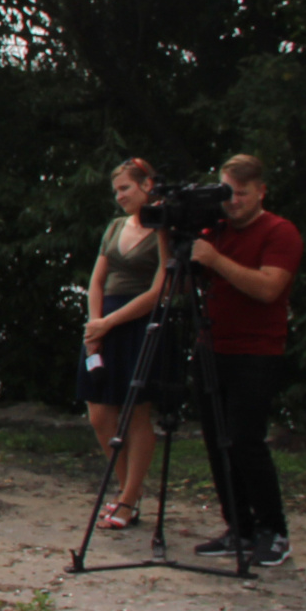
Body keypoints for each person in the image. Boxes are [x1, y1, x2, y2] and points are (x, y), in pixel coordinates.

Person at [190, 154, 303, 567]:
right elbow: (182, 281)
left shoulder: (279, 232)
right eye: (226, 193)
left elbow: (269, 289)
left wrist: (216, 260)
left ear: (261, 191)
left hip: (256, 351)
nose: (232, 201)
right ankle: (239, 526)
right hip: (211, 347)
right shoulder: (214, 232)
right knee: (217, 440)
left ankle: (273, 530)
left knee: (245, 440)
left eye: (241, 193)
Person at [81, 158, 169, 529]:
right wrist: (95, 325)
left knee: (135, 412)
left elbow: (160, 288)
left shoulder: (163, 228)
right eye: (116, 191)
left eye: (125, 188)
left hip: (138, 323)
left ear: (147, 185)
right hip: (103, 322)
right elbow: (96, 280)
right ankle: (123, 488)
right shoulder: (115, 227)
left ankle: (130, 498)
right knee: (99, 411)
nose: (119, 196)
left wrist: (111, 321)